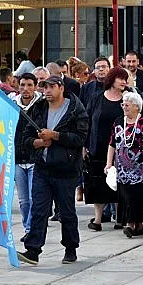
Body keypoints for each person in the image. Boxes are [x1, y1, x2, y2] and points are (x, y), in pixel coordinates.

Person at [16, 76, 88, 265]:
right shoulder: (39, 108)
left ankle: (70, 248)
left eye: (51, 87)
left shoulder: (74, 109)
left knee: (66, 211)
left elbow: (80, 138)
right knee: (39, 209)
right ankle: (33, 249)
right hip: (42, 167)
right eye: (45, 87)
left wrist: (55, 136)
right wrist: (39, 142)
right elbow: (25, 138)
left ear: (61, 88)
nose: (47, 91)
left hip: (66, 168)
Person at [85, 67, 129, 231]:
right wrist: (85, 145)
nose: (124, 82)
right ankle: (97, 219)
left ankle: (119, 218)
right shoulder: (97, 98)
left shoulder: (128, 98)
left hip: (121, 148)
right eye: (120, 78)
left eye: (125, 79)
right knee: (98, 183)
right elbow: (88, 121)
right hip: (97, 145)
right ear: (112, 79)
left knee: (118, 183)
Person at [106, 91, 143, 238]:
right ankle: (132, 224)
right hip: (123, 168)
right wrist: (109, 163)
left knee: (138, 196)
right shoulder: (119, 121)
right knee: (127, 196)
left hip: (141, 169)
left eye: (127, 104)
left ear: (137, 107)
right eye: (123, 104)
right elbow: (112, 143)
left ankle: (136, 223)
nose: (124, 107)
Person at [12, 73, 42, 241]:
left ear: (36, 86)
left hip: (34, 159)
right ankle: (27, 227)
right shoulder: (12, 104)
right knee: (23, 200)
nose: (26, 89)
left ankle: (31, 229)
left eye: (30, 85)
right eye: (22, 85)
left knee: (33, 197)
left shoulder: (41, 104)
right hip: (18, 158)